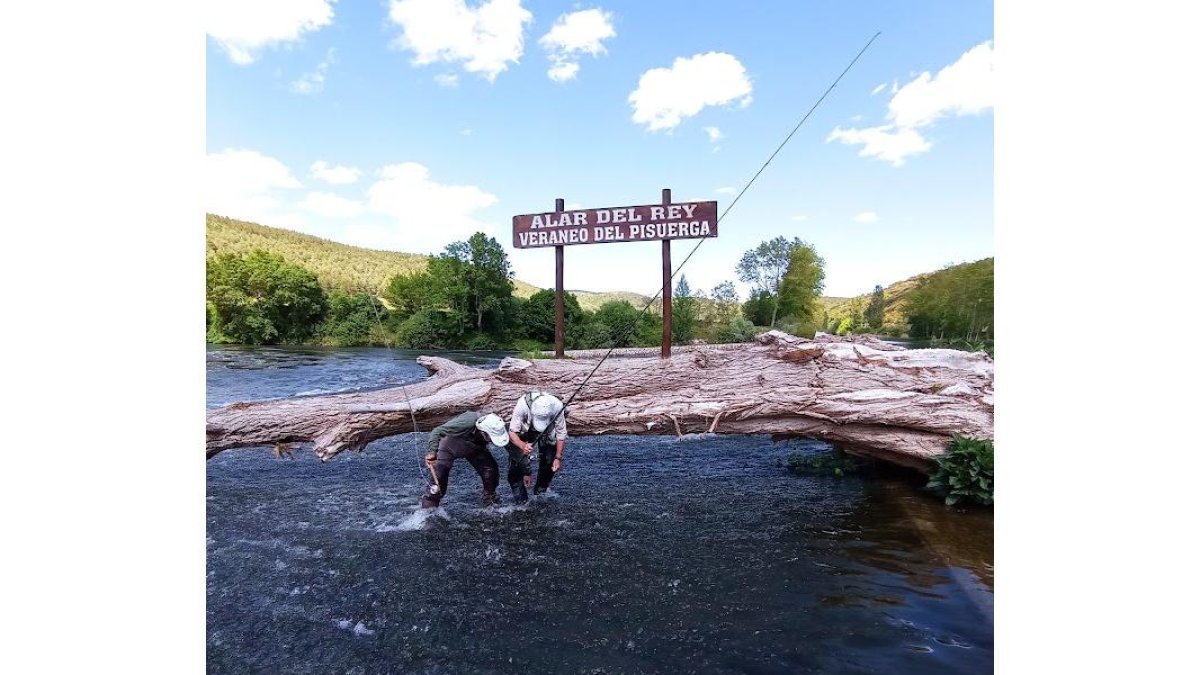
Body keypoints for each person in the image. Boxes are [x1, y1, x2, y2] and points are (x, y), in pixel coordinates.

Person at [419, 411, 509, 509]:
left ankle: (489, 501)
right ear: (483, 432)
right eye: (491, 439)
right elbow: (437, 431)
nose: (491, 442)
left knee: (491, 472)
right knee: (438, 482)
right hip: (448, 447)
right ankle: (428, 513)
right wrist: (432, 452)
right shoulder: (467, 421)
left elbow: (514, 447)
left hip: (475, 449)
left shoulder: (499, 427)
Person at [505, 391, 568, 503]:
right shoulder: (522, 406)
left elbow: (561, 434)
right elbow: (512, 432)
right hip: (525, 427)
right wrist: (523, 445)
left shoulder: (557, 406)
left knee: (550, 460)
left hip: (549, 428)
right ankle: (521, 501)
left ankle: (540, 492)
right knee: (516, 464)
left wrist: (558, 458)